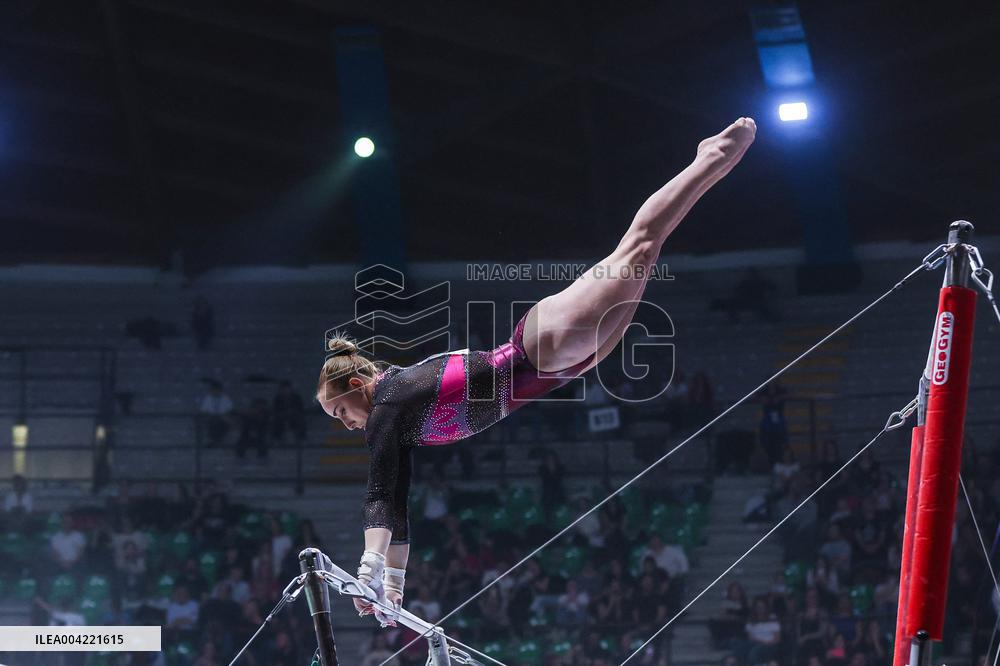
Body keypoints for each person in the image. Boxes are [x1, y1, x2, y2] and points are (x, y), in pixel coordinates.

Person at [316, 118, 757, 618]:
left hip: (538, 349)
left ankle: (710, 156)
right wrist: (393, 585)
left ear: (357, 383)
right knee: (645, 252)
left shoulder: (388, 403)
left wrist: (369, 570)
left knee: (639, 245)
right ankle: (709, 162)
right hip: (561, 366)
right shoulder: (394, 418)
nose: (344, 423)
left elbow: (377, 495)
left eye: (340, 410)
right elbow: (395, 501)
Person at [198, 381, 233, 446]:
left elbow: (230, 410)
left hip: (223, 418)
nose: (215, 391)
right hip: (211, 418)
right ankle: (215, 441)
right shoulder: (207, 398)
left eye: (217, 390)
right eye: (213, 390)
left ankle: (215, 441)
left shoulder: (226, 398)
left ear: (220, 390)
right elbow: (203, 411)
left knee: (224, 423)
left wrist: (223, 416)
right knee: (213, 422)